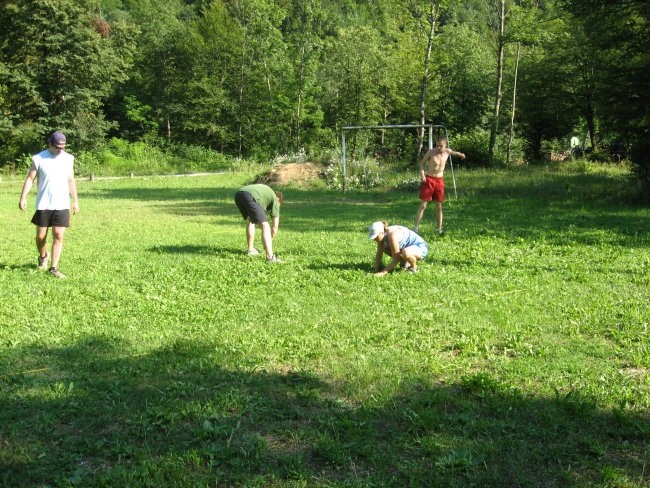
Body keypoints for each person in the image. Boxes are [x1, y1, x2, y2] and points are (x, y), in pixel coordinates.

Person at [18, 131, 79, 279]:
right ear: (50, 144)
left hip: (62, 203)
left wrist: (75, 200)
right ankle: (43, 256)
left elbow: (71, 180)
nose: (61, 150)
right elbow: (30, 179)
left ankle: (54, 267)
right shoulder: (38, 158)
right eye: (58, 147)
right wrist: (23, 198)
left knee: (58, 234)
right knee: (40, 237)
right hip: (44, 204)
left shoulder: (68, 159)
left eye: (63, 147)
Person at [414, 136, 465, 235]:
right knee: (423, 205)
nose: (438, 148)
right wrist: (422, 174)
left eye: (441, 146)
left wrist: (461, 155)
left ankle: (439, 229)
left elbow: (455, 153)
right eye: (437, 145)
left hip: (439, 181)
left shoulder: (447, 151)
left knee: (438, 206)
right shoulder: (431, 152)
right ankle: (416, 228)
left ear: (445, 145)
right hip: (429, 180)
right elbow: (421, 163)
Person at [234, 184, 283, 263]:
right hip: (250, 196)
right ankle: (270, 257)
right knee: (265, 225)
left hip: (239, 194)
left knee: (251, 220)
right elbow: (274, 227)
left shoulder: (266, 194)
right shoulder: (275, 200)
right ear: (279, 200)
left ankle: (250, 250)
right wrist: (269, 241)